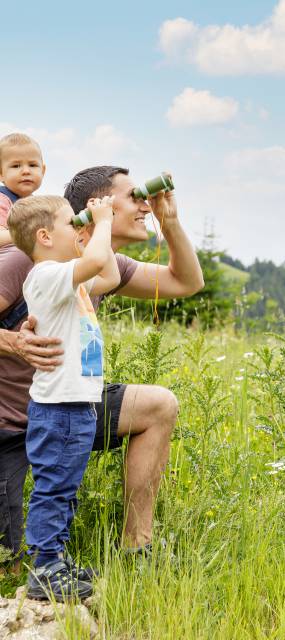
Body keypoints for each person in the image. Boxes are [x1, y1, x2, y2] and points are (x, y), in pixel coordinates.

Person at [0, 166, 204, 573]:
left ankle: (136, 549)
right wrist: (11, 341)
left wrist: (171, 222)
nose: (145, 204)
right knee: (7, 562)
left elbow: (185, 283)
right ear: (95, 207)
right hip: (8, 425)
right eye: (134, 197)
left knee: (157, 405)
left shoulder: (100, 264)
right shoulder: (25, 261)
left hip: (71, 407)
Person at [7, 195, 119, 600]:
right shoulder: (45, 275)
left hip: (73, 405)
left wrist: (90, 231)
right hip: (60, 408)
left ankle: (56, 558)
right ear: (44, 236)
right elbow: (92, 263)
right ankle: (45, 569)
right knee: (54, 488)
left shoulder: (64, 279)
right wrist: (103, 221)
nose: (79, 228)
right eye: (71, 223)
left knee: (65, 487)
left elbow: (105, 272)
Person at [0, 133, 46, 248]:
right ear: (1, 173)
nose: (26, 171)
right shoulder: (2, 200)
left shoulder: (40, 205)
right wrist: (30, 234)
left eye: (33, 165)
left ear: (43, 171)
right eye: (16, 166)